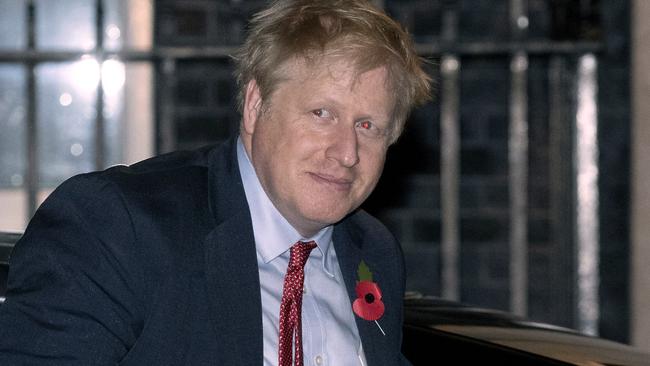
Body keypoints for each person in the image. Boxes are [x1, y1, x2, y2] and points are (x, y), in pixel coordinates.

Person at [0, 0, 431, 364]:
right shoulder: (119, 226)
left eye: (369, 125)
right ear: (255, 105)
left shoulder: (372, 250)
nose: (346, 152)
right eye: (322, 114)